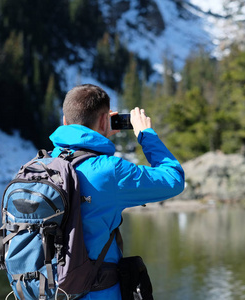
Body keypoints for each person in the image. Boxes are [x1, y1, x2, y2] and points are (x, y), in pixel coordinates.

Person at [49, 84, 185, 299]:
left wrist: (98, 134)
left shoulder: (42, 164)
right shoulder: (110, 170)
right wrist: (146, 135)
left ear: (65, 122)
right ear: (104, 120)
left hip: (44, 290)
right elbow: (173, 179)